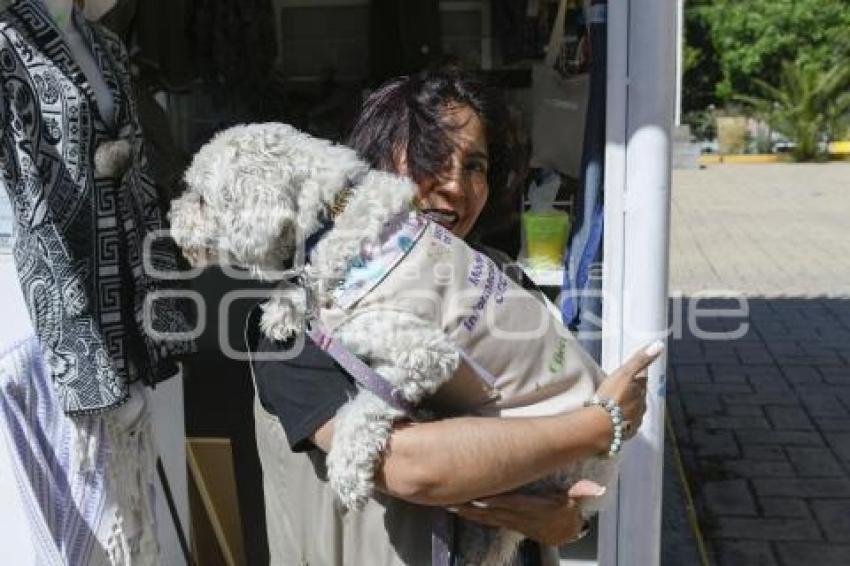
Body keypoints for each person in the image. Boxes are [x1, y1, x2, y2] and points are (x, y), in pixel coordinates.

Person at [248, 67, 654, 565]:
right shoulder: (301, 321)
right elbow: (410, 466)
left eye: (476, 165)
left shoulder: (498, 286)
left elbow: (560, 477)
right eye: (431, 158)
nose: (456, 186)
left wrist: (567, 518)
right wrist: (599, 423)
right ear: (370, 168)